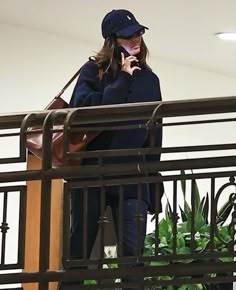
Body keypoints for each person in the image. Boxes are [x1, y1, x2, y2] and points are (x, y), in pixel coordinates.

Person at [59, 8, 163, 290]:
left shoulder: (150, 80)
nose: (136, 39)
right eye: (129, 35)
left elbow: (154, 133)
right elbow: (84, 112)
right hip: (92, 173)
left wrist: (155, 184)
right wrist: (122, 80)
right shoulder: (93, 71)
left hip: (132, 175)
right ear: (112, 40)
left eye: (139, 32)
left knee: (133, 259)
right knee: (78, 254)